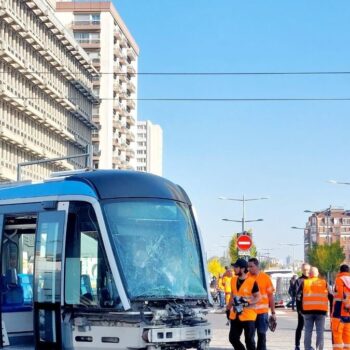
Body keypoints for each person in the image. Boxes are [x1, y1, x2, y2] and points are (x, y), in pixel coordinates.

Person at [226, 258, 260, 350]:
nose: (234, 269)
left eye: (236, 267)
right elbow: (232, 295)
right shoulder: (233, 280)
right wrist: (228, 308)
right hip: (235, 314)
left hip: (248, 315)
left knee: (249, 341)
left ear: (243, 269)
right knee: (233, 338)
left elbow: (258, 297)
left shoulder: (252, 282)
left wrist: (248, 302)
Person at [247, 258, 276, 350]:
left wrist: (273, 312)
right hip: (249, 312)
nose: (249, 268)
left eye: (251, 266)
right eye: (248, 266)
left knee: (262, 336)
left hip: (262, 313)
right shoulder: (246, 277)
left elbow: (270, 296)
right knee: (249, 337)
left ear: (257, 266)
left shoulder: (265, 278)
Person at [300, 266, 328, 350]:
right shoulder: (324, 282)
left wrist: (300, 310)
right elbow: (330, 295)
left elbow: (298, 296)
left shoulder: (305, 282)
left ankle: (308, 348)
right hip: (321, 311)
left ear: (310, 274)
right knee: (320, 332)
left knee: (308, 331)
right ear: (318, 274)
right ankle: (319, 348)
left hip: (307, 311)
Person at [331, 264, 350, 350]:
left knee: (337, 333)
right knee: (347, 334)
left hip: (340, 310)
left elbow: (341, 294)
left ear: (340, 271)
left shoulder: (339, 279)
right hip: (348, 312)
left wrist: (346, 305)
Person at [294, 262, 311, 350]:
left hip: (311, 309)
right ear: (302, 270)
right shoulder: (299, 281)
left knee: (309, 328)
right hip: (302, 309)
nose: (306, 271)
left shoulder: (312, 280)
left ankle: (308, 345)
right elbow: (297, 296)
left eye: (308, 270)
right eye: (304, 270)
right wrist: (299, 309)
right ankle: (297, 345)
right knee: (300, 326)